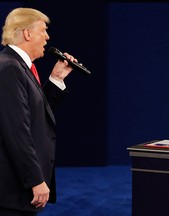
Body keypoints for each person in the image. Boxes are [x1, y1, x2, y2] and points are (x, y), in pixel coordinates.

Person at [0, 7, 77, 216]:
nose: (47, 37)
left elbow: (36, 115)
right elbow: (16, 131)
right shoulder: (9, 68)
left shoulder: (19, 66)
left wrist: (56, 79)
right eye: (43, 30)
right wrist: (35, 179)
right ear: (27, 33)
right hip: (13, 191)